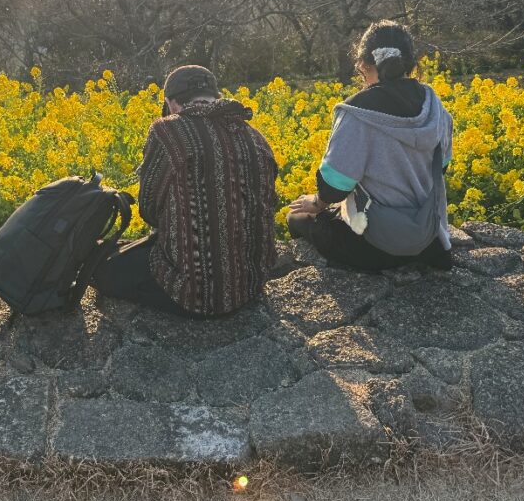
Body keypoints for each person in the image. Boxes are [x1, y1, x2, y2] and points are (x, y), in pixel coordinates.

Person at [92, 65, 279, 317]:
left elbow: (148, 209)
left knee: (99, 268)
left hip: (195, 295)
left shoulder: (168, 131)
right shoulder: (256, 138)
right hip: (250, 287)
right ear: (218, 98)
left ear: (170, 103)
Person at [286, 21, 454, 271]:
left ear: (363, 64)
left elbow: (335, 187)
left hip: (374, 247)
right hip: (429, 239)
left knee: (296, 217)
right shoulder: (434, 106)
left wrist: (317, 204)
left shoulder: (356, 111)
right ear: (411, 64)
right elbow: (441, 168)